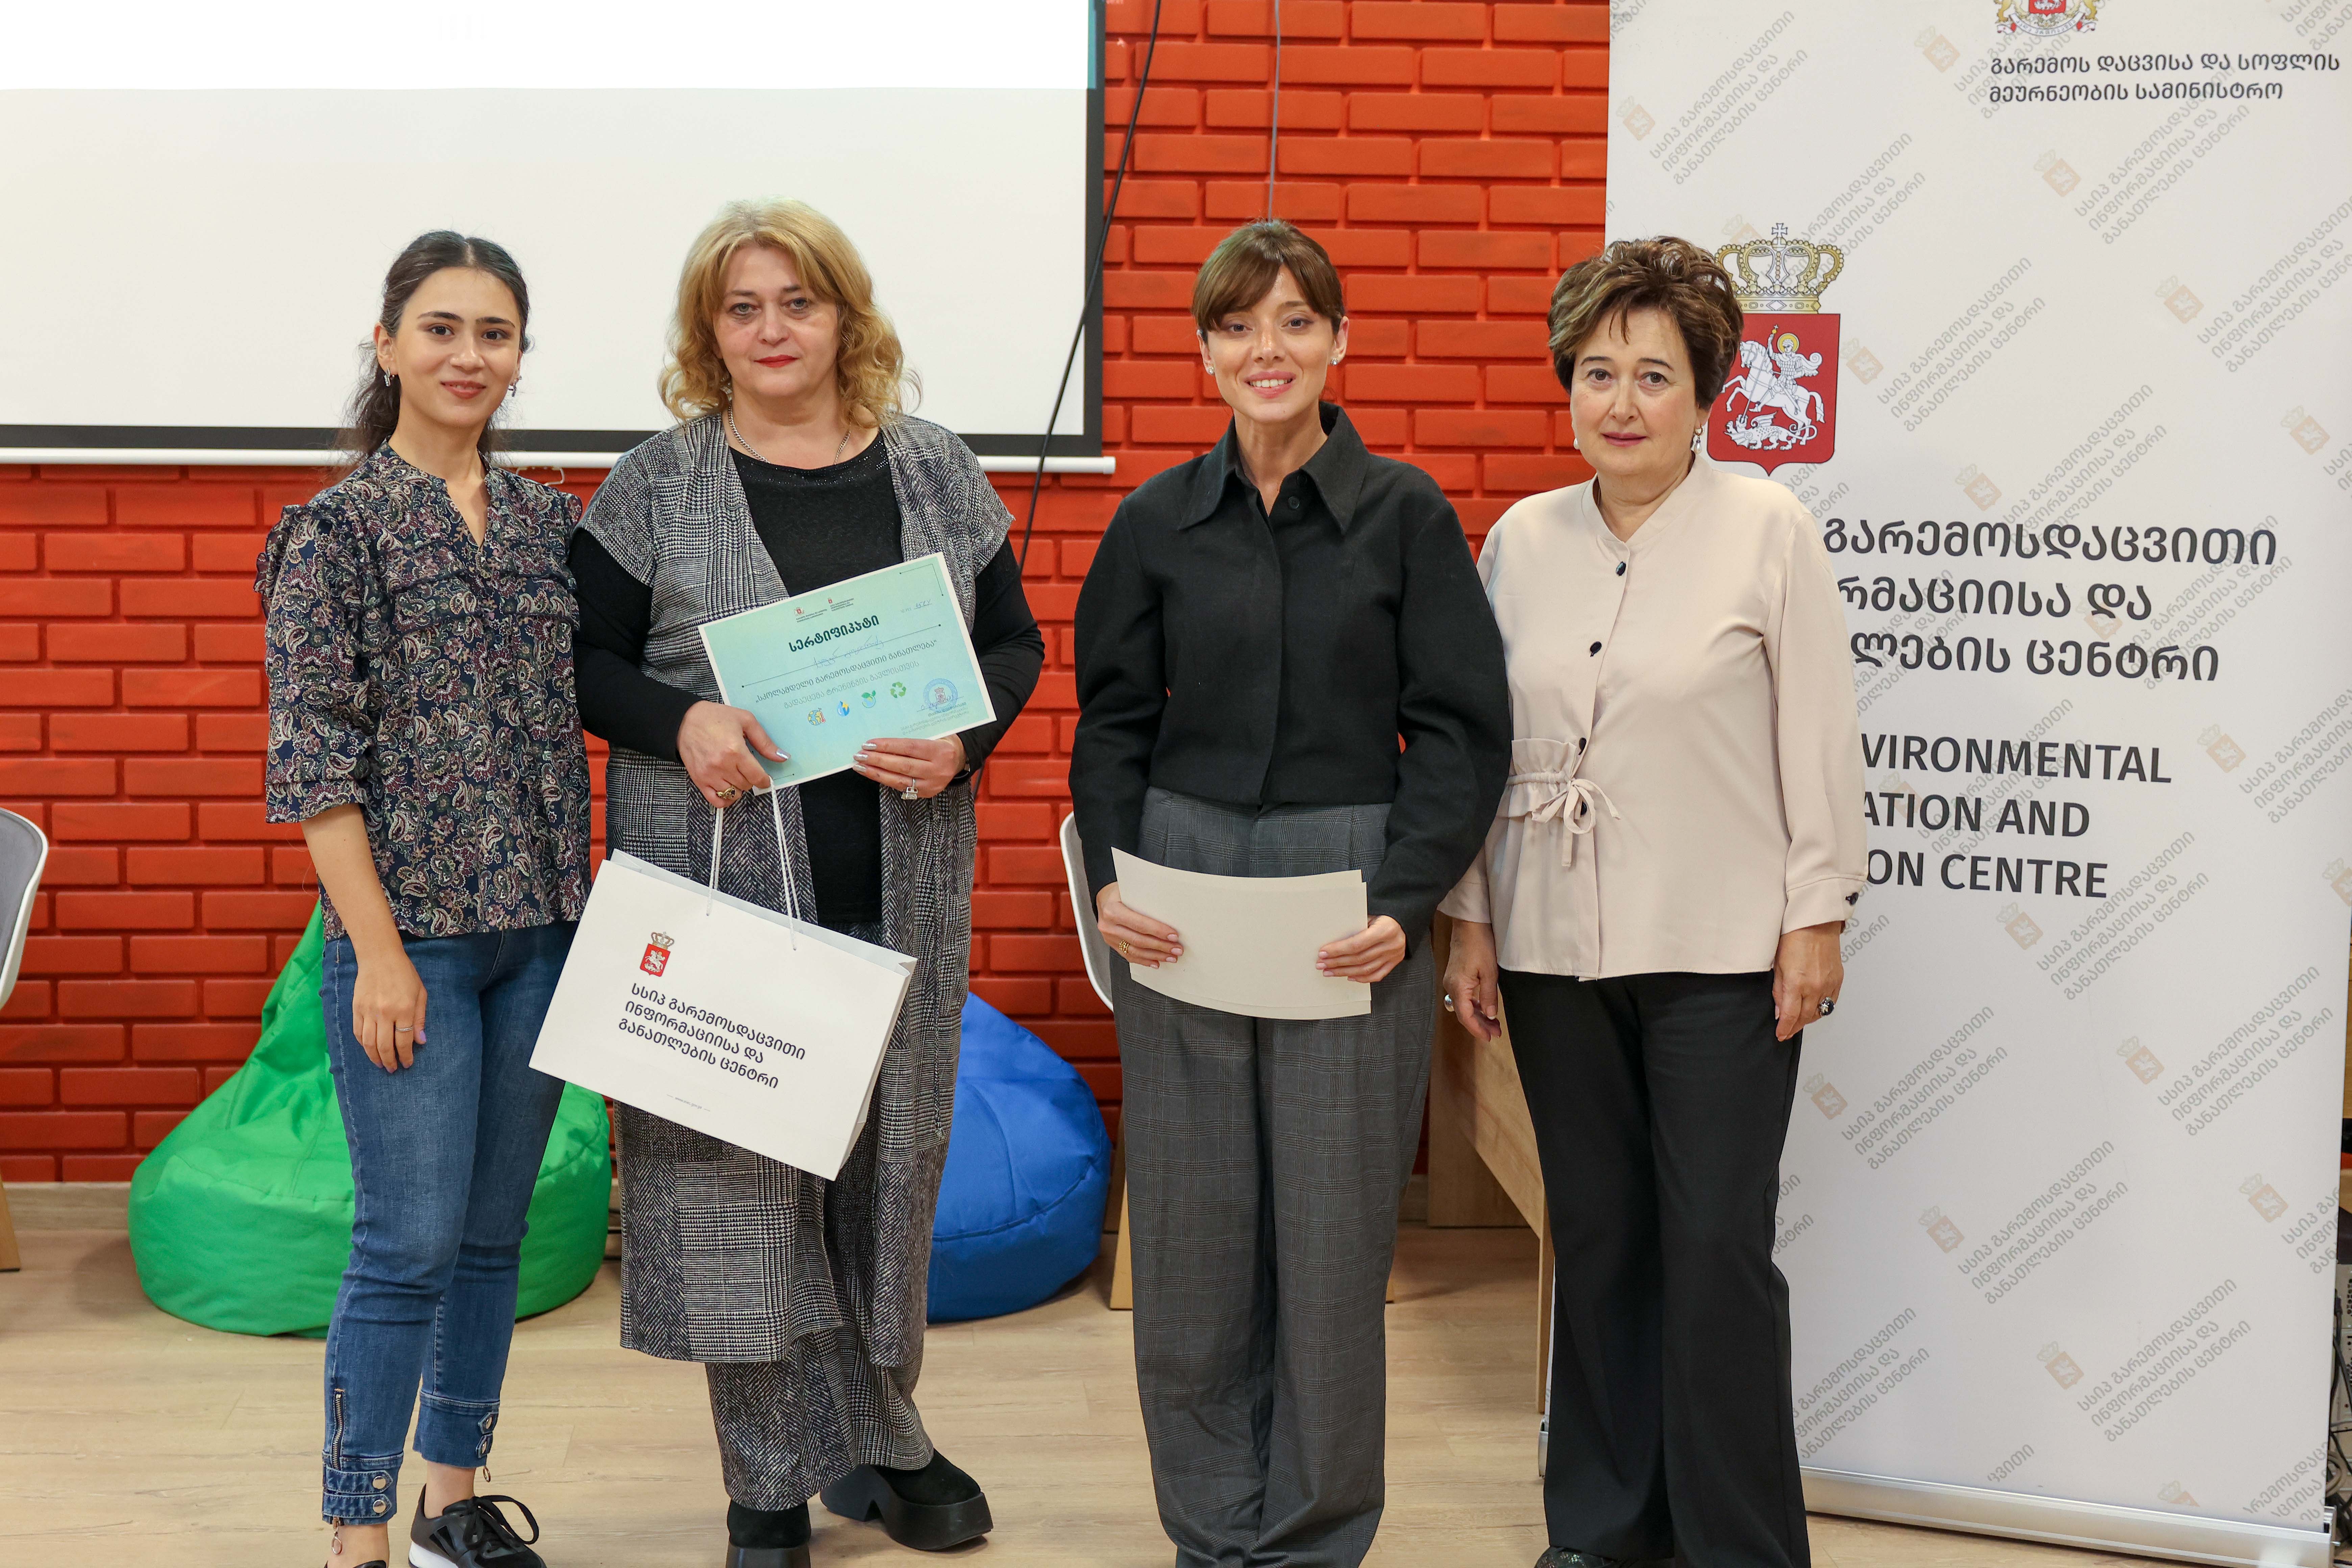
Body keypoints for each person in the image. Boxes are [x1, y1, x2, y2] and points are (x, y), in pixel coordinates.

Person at [569, 198, 1041, 1568]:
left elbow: (1012, 646)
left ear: (846, 315)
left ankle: (883, 1436)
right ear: (708, 333)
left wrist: (966, 741)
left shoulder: (935, 469)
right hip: (721, 898)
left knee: (889, 1174)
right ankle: (765, 1478)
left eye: (798, 301)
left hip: (899, 894)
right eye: (743, 308)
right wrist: (681, 721)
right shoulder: (654, 484)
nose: (772, 329)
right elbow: (582, 664)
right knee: (742, 1183)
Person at [1072, 220, 1512, 1568]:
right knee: (1194, 1235)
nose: (1267, 348)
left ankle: (1314, 1536)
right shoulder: (1153, 522)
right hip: (1184, 891)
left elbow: (1463, 730)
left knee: (1330, 1239)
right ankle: (1213, 1532)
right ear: (1205, 351)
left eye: (1295, 320)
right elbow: (1112, 722)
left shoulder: (1407, 516)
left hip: (1348, 892)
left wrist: (1407, 894)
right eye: (1238, 324)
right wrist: (1112, 879)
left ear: (1338, 341)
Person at [1439, 237, 1867, 1568]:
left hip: (1726, 949)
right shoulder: (1521, 540)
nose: (1621, 402)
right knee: (1602, 1237)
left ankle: (1741, 1545)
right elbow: (1480, 743)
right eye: (1598, 373)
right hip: (1554, 946)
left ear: (1706, 394)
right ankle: (1605, 1530)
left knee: (1719, 1244)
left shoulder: (1768, 530)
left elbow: (1819, 733)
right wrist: (1471, 916)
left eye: (1655, 375)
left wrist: (1817, 913)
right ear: (1568, 385)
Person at [260, 231, 586, 1568]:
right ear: (387, 344)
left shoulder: (553, 524)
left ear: (519, 355)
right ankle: (358, 1532)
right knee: (405, 1245)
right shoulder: (332, 534)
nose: (469, 355)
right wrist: (380, 955)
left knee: (494, 1238)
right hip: (415, 949)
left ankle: (453, 1500)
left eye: (494, 333)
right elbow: (315, 766)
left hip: (546, 936)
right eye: (442, 328)